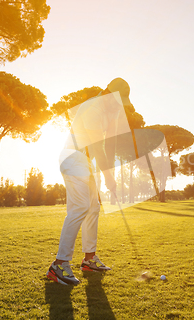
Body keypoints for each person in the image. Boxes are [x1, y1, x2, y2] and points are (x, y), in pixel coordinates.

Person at [46, 78, 133, 285]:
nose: (120, 106)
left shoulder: (111, 111)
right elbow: (97, 147)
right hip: (73, 158)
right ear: (108, 94)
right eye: (118, 101)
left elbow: (109, 144)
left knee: (93, 208)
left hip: (88, 162)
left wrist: (109, 174)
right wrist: (109, 176)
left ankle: (89, 260)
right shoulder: (93, 108)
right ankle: (59, 265)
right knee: (81, 207)